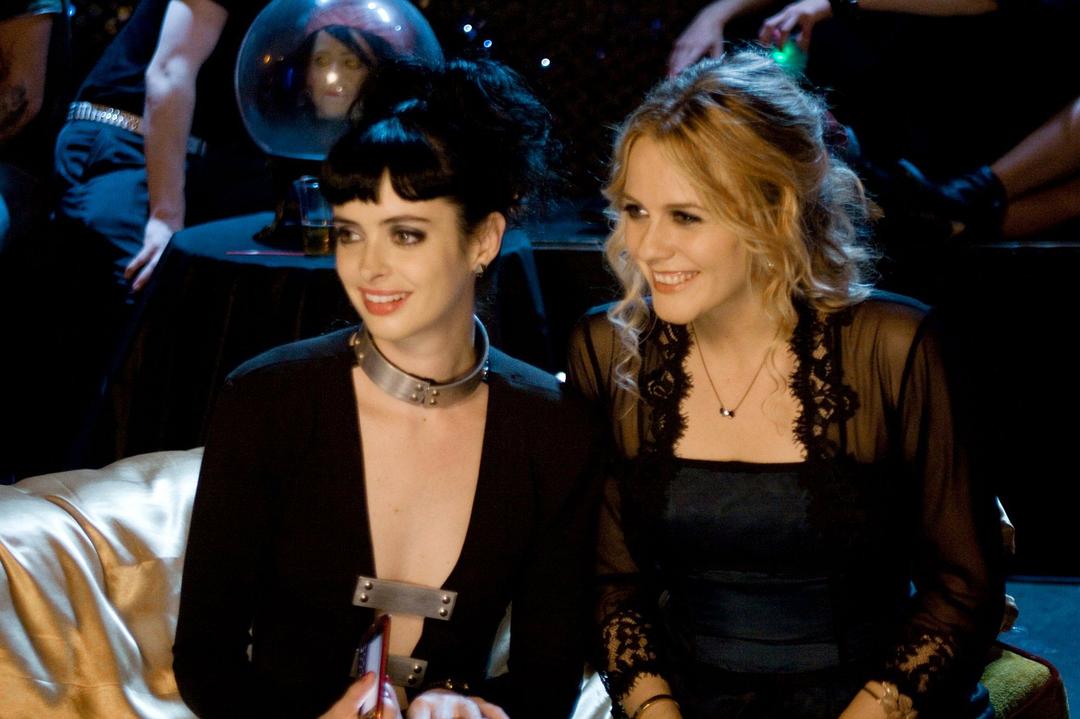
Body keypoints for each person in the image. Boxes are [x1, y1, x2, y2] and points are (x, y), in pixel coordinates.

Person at [567, 50, 1003, 719]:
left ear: (773, 211)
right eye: (635, 209)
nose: (646, 247)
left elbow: (963, 589)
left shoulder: (892, 346)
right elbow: (609, 583)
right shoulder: (608, 349)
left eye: (685, 216)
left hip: (875, 702)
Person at [172, 57, 601, 718]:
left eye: (405, 234)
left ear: (484, 239)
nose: (369, 267)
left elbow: (548, 684)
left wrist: (469, 707)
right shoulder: (266, 400)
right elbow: (206, 662)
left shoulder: (554, 429)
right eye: (351, 233)